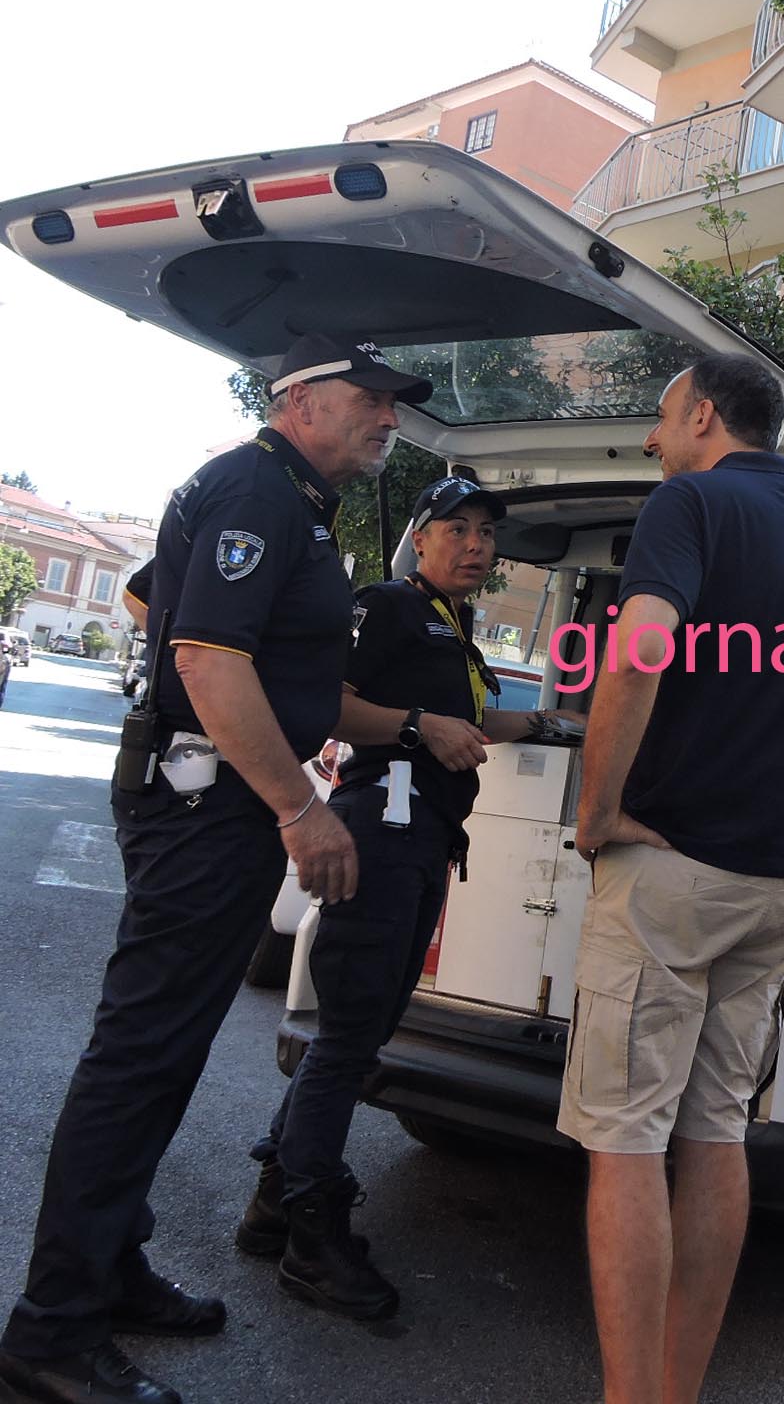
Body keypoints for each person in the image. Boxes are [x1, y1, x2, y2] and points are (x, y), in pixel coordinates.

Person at [0, 335, 431, 1404]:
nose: (390, 419)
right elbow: (200, 651)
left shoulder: (280, 497)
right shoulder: (258, 491)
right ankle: (51, 1329)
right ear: (304, 402)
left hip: (211, 796)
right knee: (141, 1053)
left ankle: (104, 1266)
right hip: (209, 808)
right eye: (372, 400)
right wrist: (296, 802)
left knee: (167, 1049)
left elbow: (160, 601)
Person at [562, 354, 784, 1404]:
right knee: (715, 1130)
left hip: (675, 871)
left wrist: (598, 808)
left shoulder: (689, 508)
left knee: (624, 1138)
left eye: (663, 421)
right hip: (783, 879)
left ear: (704, 416)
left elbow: (640, 649)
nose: (655, 442)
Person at [232, 474, 582, 1319]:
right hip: (379, 836)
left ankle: (276, 1204)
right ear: (419, 538)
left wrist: (551, 723)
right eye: (456, 529)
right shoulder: (387, 604)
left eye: (486, 534)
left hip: (421, 841)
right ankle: (313, 1241)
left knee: (360, 1031)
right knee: (350, 1039)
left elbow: (463, 721)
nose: (475, 546)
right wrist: (421, 727)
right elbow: (331, 705)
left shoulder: (453, 627)